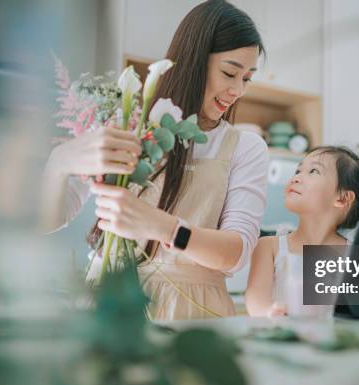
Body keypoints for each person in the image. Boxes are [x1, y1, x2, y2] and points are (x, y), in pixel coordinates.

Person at [41, 0, 268, 320]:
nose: (237, 90)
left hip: (191, 310)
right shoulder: (126, 125)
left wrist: (162, 227)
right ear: (194, 60)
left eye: (247, 78)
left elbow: (236, 253)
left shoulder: (246, 147)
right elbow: (48, 220)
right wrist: (59, 163)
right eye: (230, 72)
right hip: (110, 300)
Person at [245, 146, 359, 317]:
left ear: (342, 198)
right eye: (298, 170)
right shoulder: (268, 247)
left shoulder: (355, 255)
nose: (296, 177)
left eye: (313, 171)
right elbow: (256, 302)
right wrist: (270, 313)